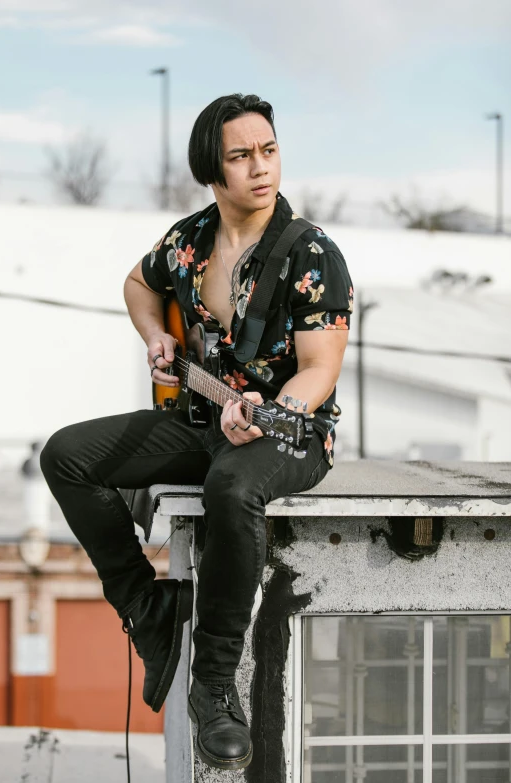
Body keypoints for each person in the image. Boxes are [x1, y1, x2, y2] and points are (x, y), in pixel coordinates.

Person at [40, 93, 353, 772]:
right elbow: (137, 283)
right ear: (212, 171)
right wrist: (157, 335)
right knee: (67, 456)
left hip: (290, 433)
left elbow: (320, 368)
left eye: (268, 150)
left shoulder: (310, 253)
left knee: (231, 485)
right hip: (200, 415)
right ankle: (150, 615)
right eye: (241, 156)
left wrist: (268, 412)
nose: (260, 168)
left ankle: (213, 680)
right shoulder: (190, 239)